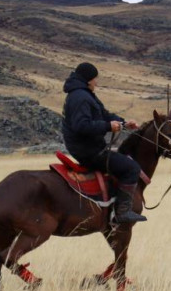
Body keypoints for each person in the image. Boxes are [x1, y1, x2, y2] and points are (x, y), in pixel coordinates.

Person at [61, 62, 146, 224]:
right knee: (132, 168)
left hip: (89, 148)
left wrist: (123, 122)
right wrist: (108, 126)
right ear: (88, 80)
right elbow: (81, 126)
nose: (96, 83)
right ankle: (122, 212)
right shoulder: (81, 97)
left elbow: (104, 114)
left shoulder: (84, 94)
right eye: (95, 79)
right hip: (89, 152)